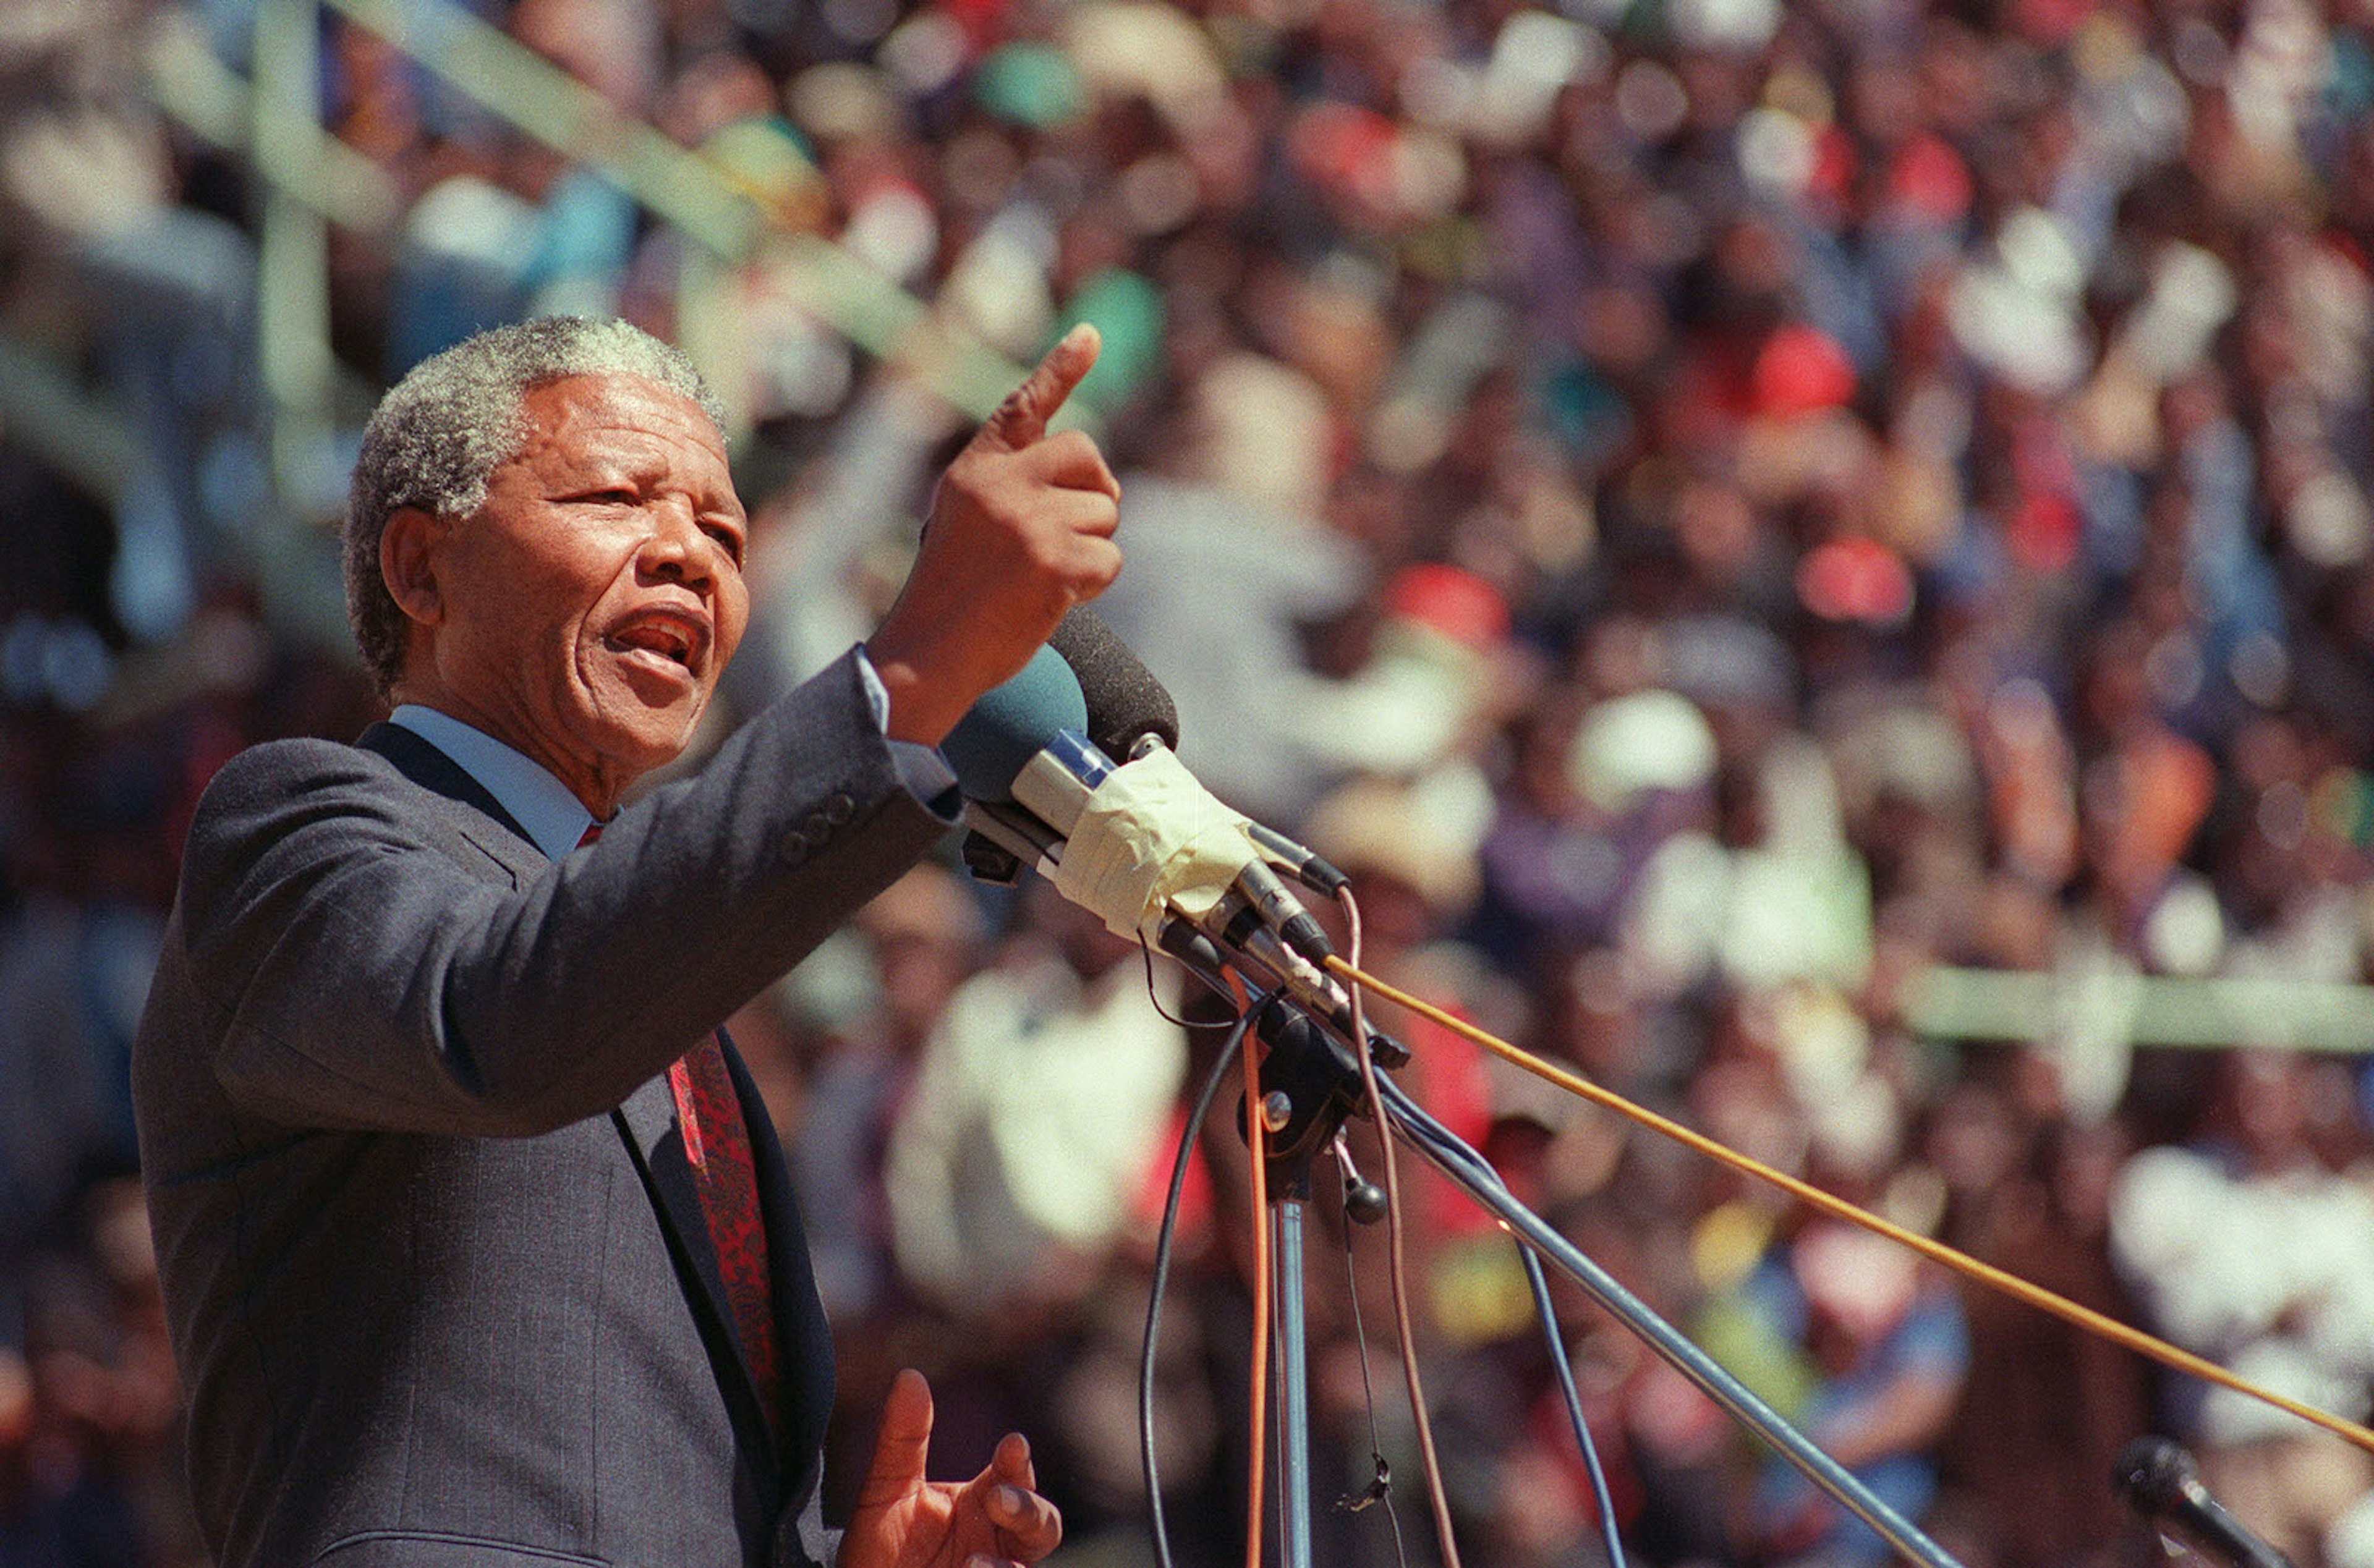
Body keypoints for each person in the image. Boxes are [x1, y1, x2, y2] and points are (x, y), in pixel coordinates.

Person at [129, 313, 1122, 1568]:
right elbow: (497, 1025)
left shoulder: (657, 970)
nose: (690, 557)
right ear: (422, 571)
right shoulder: (295, 834)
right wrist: (910, 676)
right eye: (616, 497)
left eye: (725, 532)